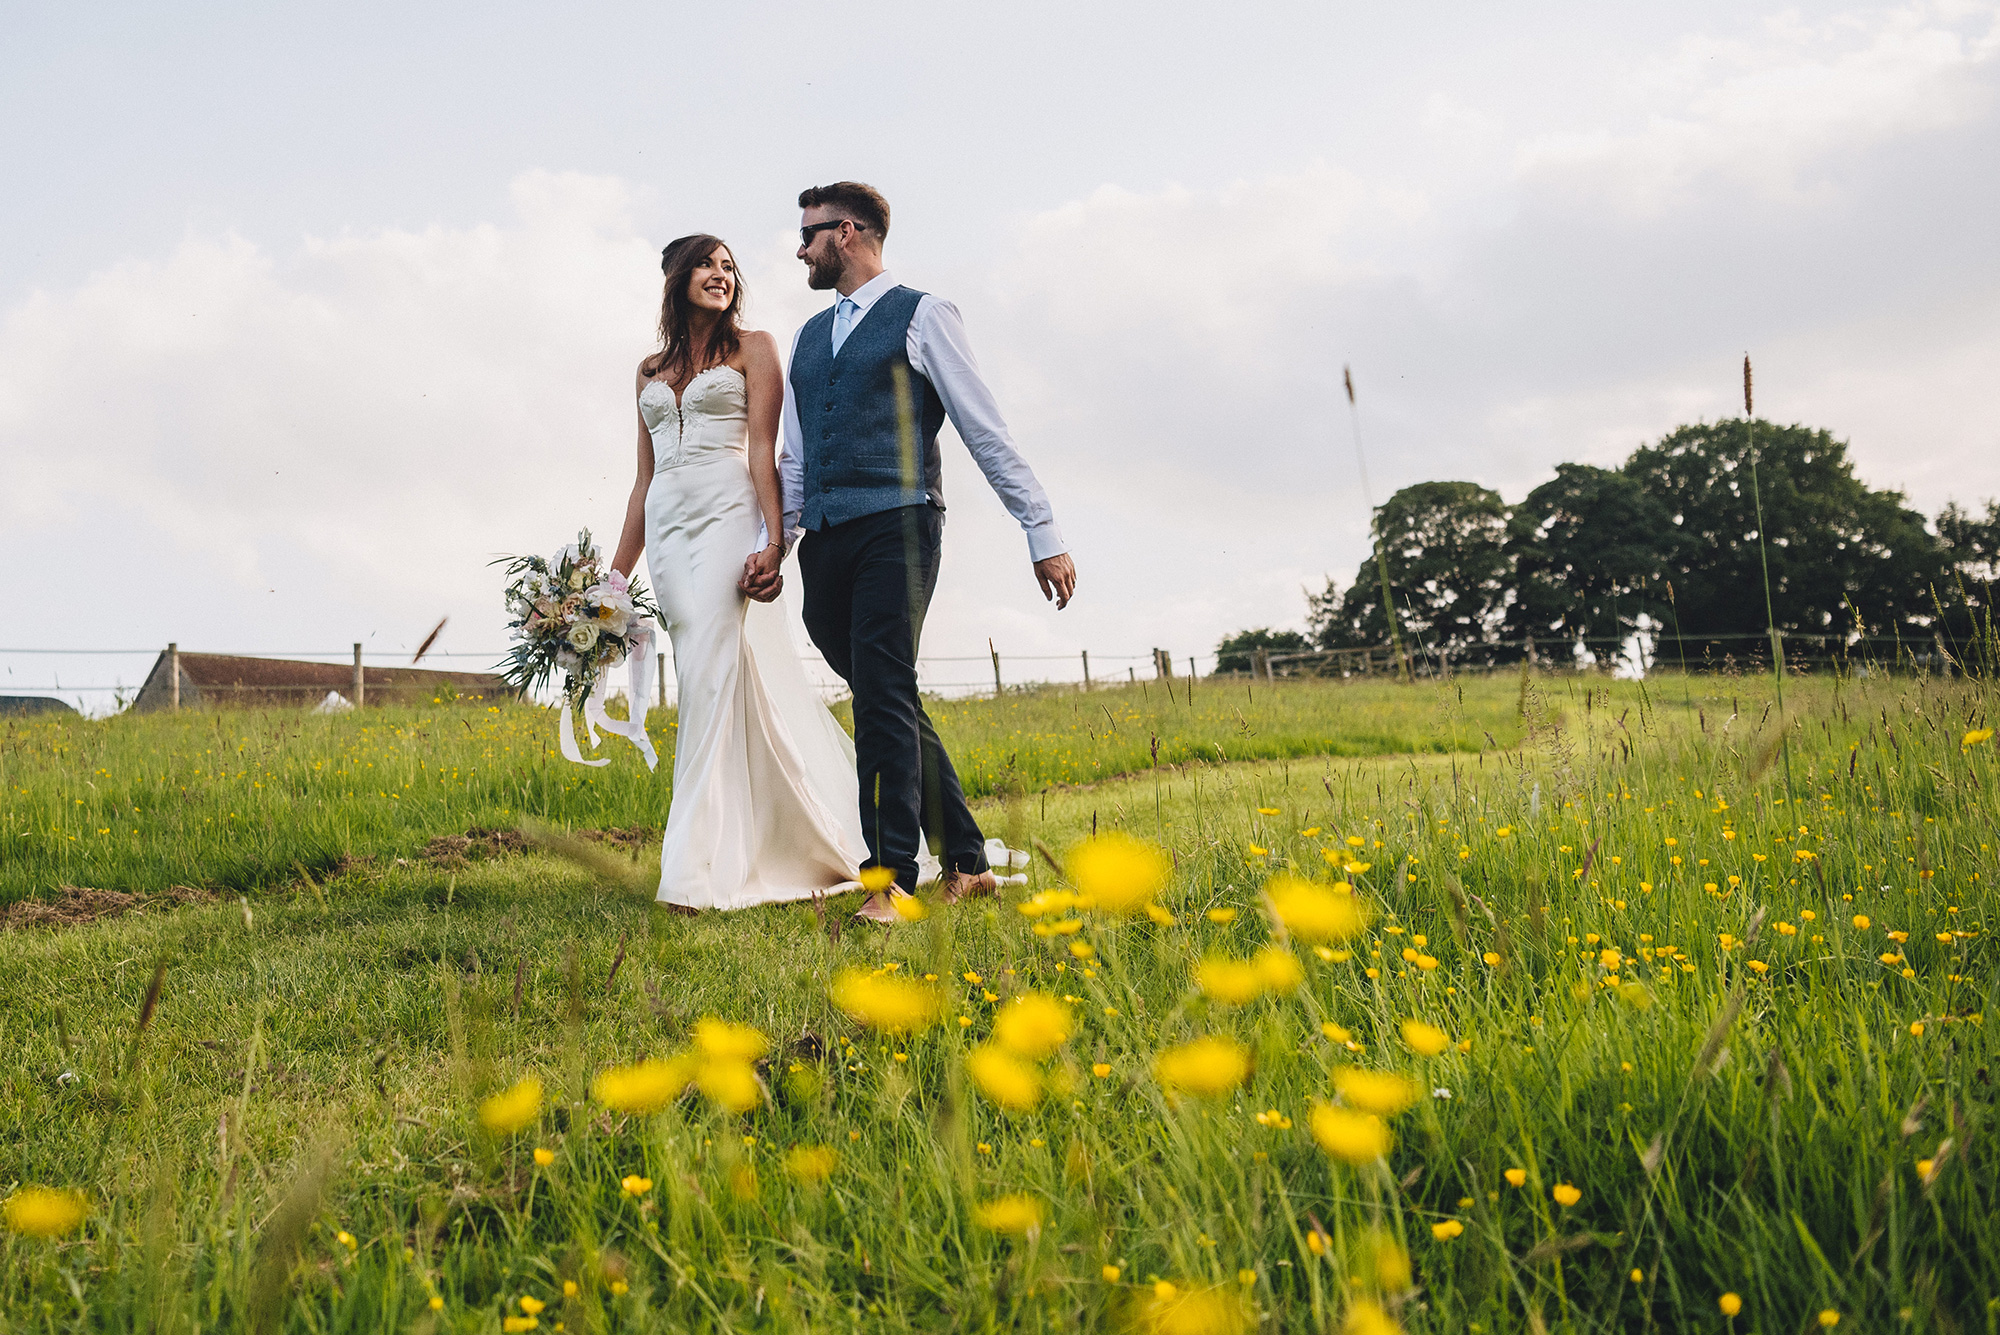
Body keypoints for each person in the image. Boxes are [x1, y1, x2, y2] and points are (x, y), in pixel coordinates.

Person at [739, 181, 1077, 922]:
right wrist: (780, 540)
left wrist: (1040, 530)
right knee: (884, 691)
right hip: (825, 539)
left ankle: (890, 880)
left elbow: (984, 428)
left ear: (849, 232)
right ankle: (967, 860)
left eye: (810, 233)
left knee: (884, 692)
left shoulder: (924, 315)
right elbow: (795, 456)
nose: (800, 248)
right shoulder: (807, 337)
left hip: (899, 524)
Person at [609, 234, 885, 910]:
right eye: (707, 264)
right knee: (714, 680)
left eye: (729, 267)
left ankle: (691, 872)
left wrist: (773, 542)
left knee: (704, 679)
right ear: (676, 277)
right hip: (671, 534)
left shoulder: (753, 348)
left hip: (729, 519)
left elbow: (765, 449)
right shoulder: (647, 370)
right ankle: (749, 838)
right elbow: (643, 481)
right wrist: (611, 582)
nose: (720, 275)